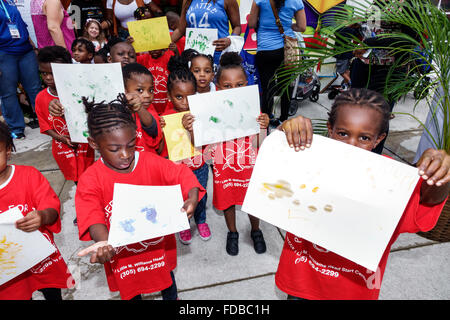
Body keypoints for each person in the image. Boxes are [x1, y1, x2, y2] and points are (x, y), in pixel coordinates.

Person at [276, 88, 450, 300]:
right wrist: (285, 131)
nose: (351, 145)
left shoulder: (389, 178)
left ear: (378, 139)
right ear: (330, 129)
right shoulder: (308, 157)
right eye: (343, 133)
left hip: (350, 289)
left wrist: (439, 175)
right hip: (301, 278)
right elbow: (273, 168)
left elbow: (427, 200)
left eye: (364, 137)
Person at [74, 94, 205, 300]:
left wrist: (192, 195)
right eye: (114, 149)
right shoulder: (90, 180)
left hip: (156, 247)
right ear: (94, 143)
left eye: (131, 144)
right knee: (131, 289)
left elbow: (181, 174)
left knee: (166, 278)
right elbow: (92, 216)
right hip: (122, 256)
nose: (125, 154)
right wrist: (104, 242)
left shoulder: (149, 161)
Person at [0, 121, 75, 300]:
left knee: (52, 292)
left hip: (41, 257)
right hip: (7, 266)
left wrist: (42, 216)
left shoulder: (28, 176)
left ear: (8, 150)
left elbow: (52, 208)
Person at [206, 52, 269, 256]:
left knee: (252, 199)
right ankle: (232, 232)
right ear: (218, 87)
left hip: (248, 164)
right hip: (224, 164)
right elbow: (205, 147)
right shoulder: (212, 111)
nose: (234, 90)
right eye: (227, 86)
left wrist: (263, 127)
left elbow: (259, 143)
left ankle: (256, 230)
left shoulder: (254, 110)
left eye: (239, 85)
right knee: (227, 199)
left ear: (247, 84)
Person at [159, 55, 211, 245]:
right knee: (181, 198)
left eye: (189, 97)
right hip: (178, 170)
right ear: (169, 96)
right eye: (179, 97)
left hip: (199, 166)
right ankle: (184, 224)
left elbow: (203, 144)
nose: (184, 102)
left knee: (201, 197)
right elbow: (160, 149)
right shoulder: (165, 117)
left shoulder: (199, 115)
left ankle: (202, 220)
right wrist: (160, 128)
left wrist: (193, 129)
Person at [35, 46, 95, 201]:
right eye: (44, 73)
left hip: (84, 144)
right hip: (63, 147)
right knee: (76, 178)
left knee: (89, 176)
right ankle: (84, 203)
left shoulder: (80, 91)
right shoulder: (41, 98)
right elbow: (45, 126)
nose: (48, 77)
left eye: (52, 73)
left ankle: (90, 202)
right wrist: (61, 138)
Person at [248, 0, 306, 126]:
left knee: (267, 86)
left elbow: (251, 23)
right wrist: (288, 26)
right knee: (285, 86)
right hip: (287, 50)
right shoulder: (296, 1)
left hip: (265, 49)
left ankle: (266, 119)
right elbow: (302, 27)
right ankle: (283, 119)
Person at [0, 0, 42, 139]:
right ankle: (17, 128)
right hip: (4, 53)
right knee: (8, 93)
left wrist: (33, 47)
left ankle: (45, 121)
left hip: (25, 50)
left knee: (34, 87)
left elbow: (20, 24)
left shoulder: (9, 1)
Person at [171, 0, 241, 66]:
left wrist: (230, 40)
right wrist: (163, 43)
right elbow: (180, 30)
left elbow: (237, 26)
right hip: (194, 56)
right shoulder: (188, 1)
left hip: (219, 55)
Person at [122, 62, 163, 154]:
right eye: (140, 90)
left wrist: (139, 108)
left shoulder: (149, 110)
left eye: (151, 90)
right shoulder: (118, 111)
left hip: (148, 162)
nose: (147, 95)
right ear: (124, 91)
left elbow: (152, 128)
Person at [136, 45, 178, 115]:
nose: (154, 50)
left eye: (156, 47)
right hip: (150, 107)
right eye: (151, 47)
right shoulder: (143, 59)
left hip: (167, 106)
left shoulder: (169, 56)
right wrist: (130, 45)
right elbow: (131, 61)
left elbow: (178, 63)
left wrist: (176, 51)